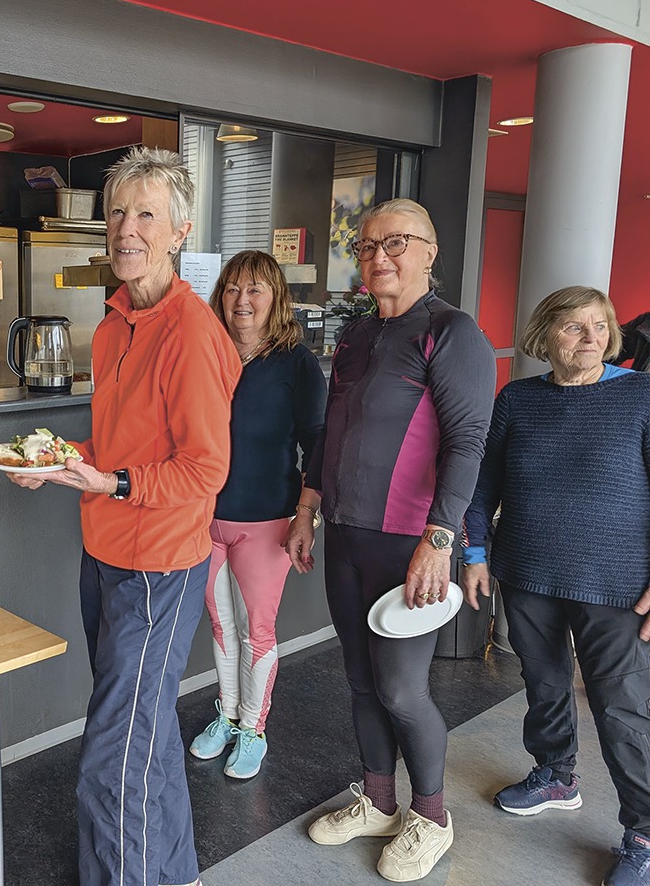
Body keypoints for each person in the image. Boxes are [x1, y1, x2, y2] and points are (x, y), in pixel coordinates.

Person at [7, 147, 241, 886]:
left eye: (146, 214)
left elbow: (205, 470)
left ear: (180, 231)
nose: (126, 228)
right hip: (104, 556)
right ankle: (176, 874)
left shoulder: (193, 333)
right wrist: (58, 460)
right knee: (147, 734)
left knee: (113, 760)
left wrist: (110, 480)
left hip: (158, 570)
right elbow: (115, 449)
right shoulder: (112, 324)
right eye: (116, 212)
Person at [292, 199, 495, 882]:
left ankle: (431, 816)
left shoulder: (453, 332)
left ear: (430, 252)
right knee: (359, 680)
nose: (378, 256)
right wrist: (307, 506)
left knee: (402, 689)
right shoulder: (355, 336)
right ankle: (379, 801)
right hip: (348, 534)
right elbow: (330, 433)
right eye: (368, 245)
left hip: (411, 543)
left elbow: (468, 442)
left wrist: (441, 539)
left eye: (396, 243)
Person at [462, 286, 650, 886]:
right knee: (543, 683)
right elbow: (482, 486)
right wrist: (474, 553)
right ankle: (556, 774)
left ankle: (644, 831)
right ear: (544, 336)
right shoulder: (518, 399)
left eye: (601, 325)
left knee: (621, 708)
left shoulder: (642, 395)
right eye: (574, 326)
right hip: (528, 574)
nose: (592, 337)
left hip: (616, 583)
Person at [188, 250, 326, 779]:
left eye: (255, 290)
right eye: (232, 289)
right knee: (221, 625)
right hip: (203, 518)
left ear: (276, 299)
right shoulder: (208, 354)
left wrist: (305, 515)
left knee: (257, 631)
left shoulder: (296, 363)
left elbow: (317, 444)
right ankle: (227, 715)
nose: (241, 300)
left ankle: (253, 727)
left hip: (267, 521)